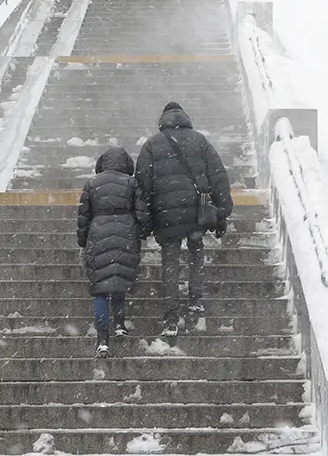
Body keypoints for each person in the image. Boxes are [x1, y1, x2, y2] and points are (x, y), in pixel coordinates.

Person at [135, 101, 233, 340]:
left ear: (163, 120)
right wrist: (222, 211)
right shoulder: (199, 140)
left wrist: (144, 221)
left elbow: (142, 186)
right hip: (196, 211)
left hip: (165, 214)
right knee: (196, 251)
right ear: (184, 117)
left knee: (170, 262)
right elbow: (218, 176)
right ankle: (196, 299)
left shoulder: (151, 145)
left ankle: (171, 316)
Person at [77, 146, 151, 358]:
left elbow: (83, 217)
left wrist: (83, 241)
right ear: (126, 164)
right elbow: (142, 214)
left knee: (101, 288)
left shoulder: (92, 184)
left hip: (98, 235)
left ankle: (102, 339)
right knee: (119, 279)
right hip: (126, 234)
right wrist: (141, 232)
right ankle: (119, 324)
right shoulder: (131, 183)